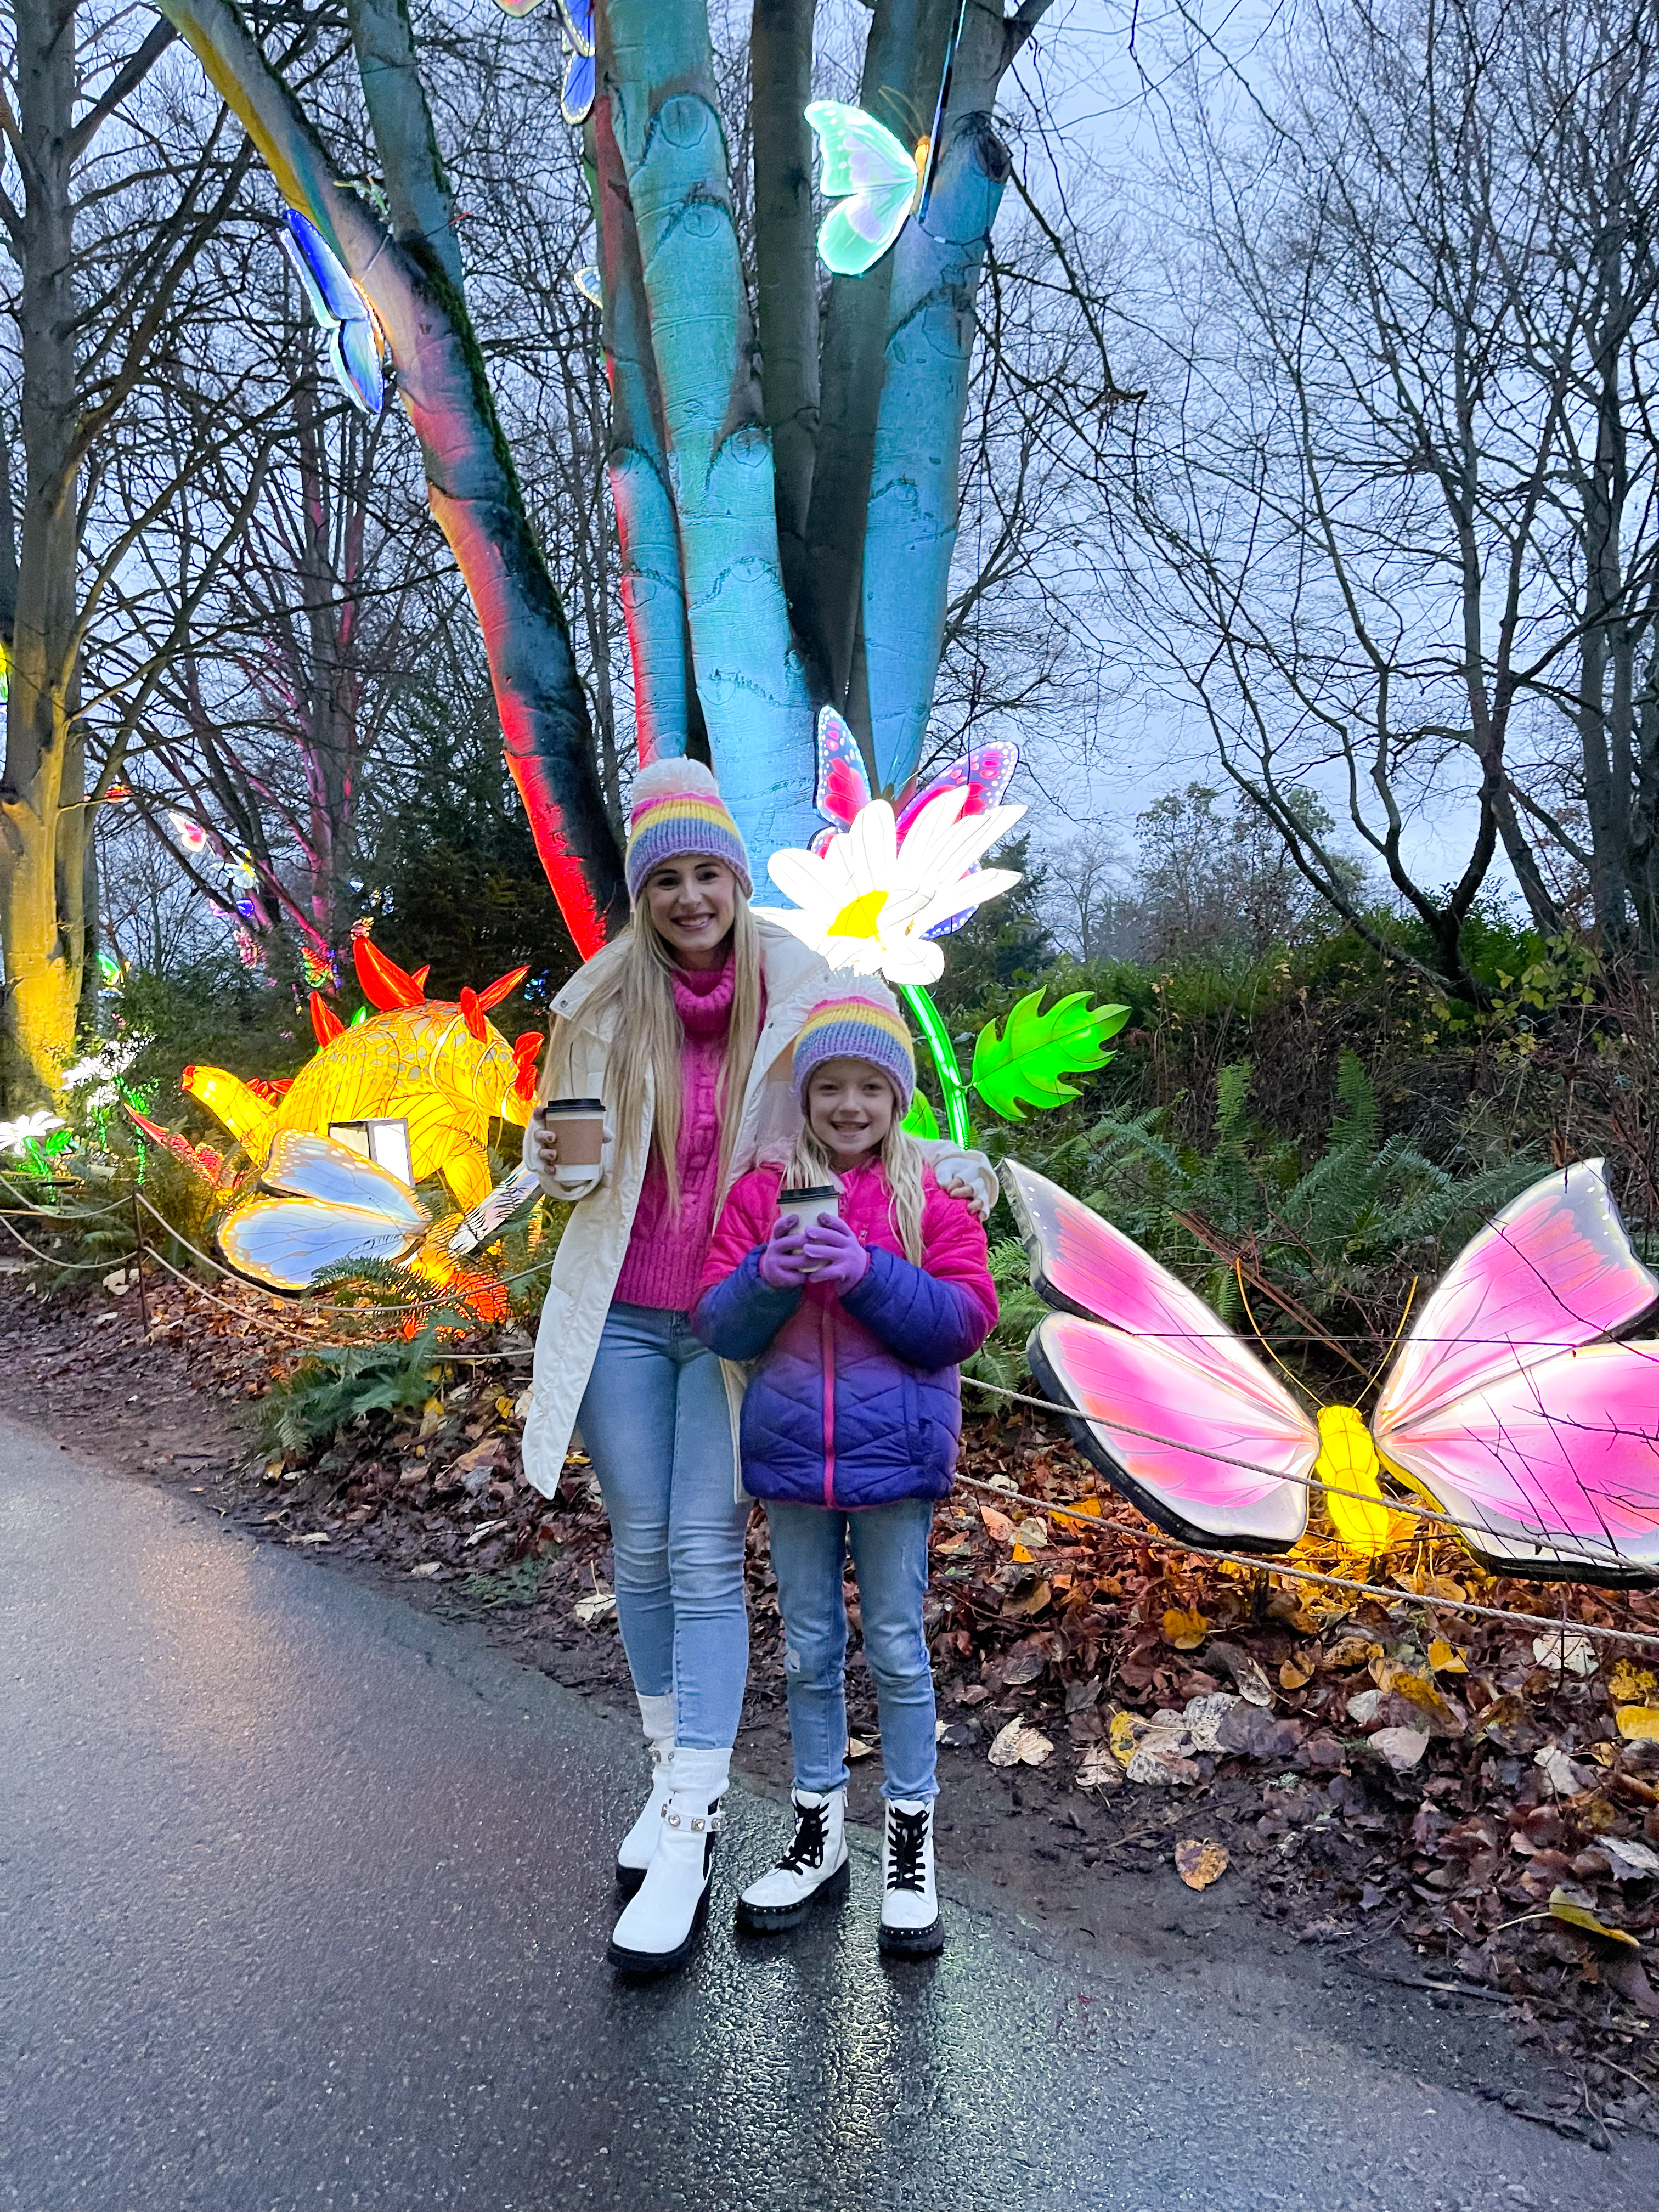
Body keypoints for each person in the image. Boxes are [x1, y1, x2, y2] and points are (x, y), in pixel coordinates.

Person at [518, 759, 994, 1976]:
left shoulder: (804, 984)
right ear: (644, 894)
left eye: (707, 872)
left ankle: (692, 1829)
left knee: (703, 1551)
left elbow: (861, 1090)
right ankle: (674, 1777)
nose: (690, 897)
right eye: (665, 878)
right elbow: (561, 1148)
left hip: (740, 1314)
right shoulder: (598, 1005)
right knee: (636, 1550)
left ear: (736, 876)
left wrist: (944, 1174)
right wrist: (540, 1157)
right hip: (629, 1306)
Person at [692, 994, 997, 1959]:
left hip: (897, 1463)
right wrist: (767, 1275)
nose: (850, 1104)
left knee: (898, 1650)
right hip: (790, 1462)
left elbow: (962, 1322)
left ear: (897, 1097)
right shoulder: (759, 1195)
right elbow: (717, 1322)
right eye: (831, 1087)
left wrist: (864, 1269)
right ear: (807, 1096)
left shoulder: (931, 1200)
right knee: (809, 1649)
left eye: (871, 1086)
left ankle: (911, 1839)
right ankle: (817, 1828)